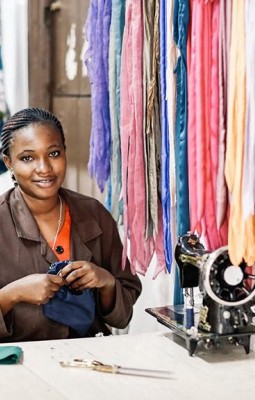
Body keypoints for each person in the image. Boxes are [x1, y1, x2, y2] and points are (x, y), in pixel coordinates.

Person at [0, 107, 142, 342]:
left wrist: (106, 281)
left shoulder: (93, 214)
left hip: (89, 359)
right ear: (9, 163)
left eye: (54, 154)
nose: (44, 168)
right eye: (28, 158)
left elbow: (122, 316)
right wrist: (13, 294)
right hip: (20, 366)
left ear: (64, 152)